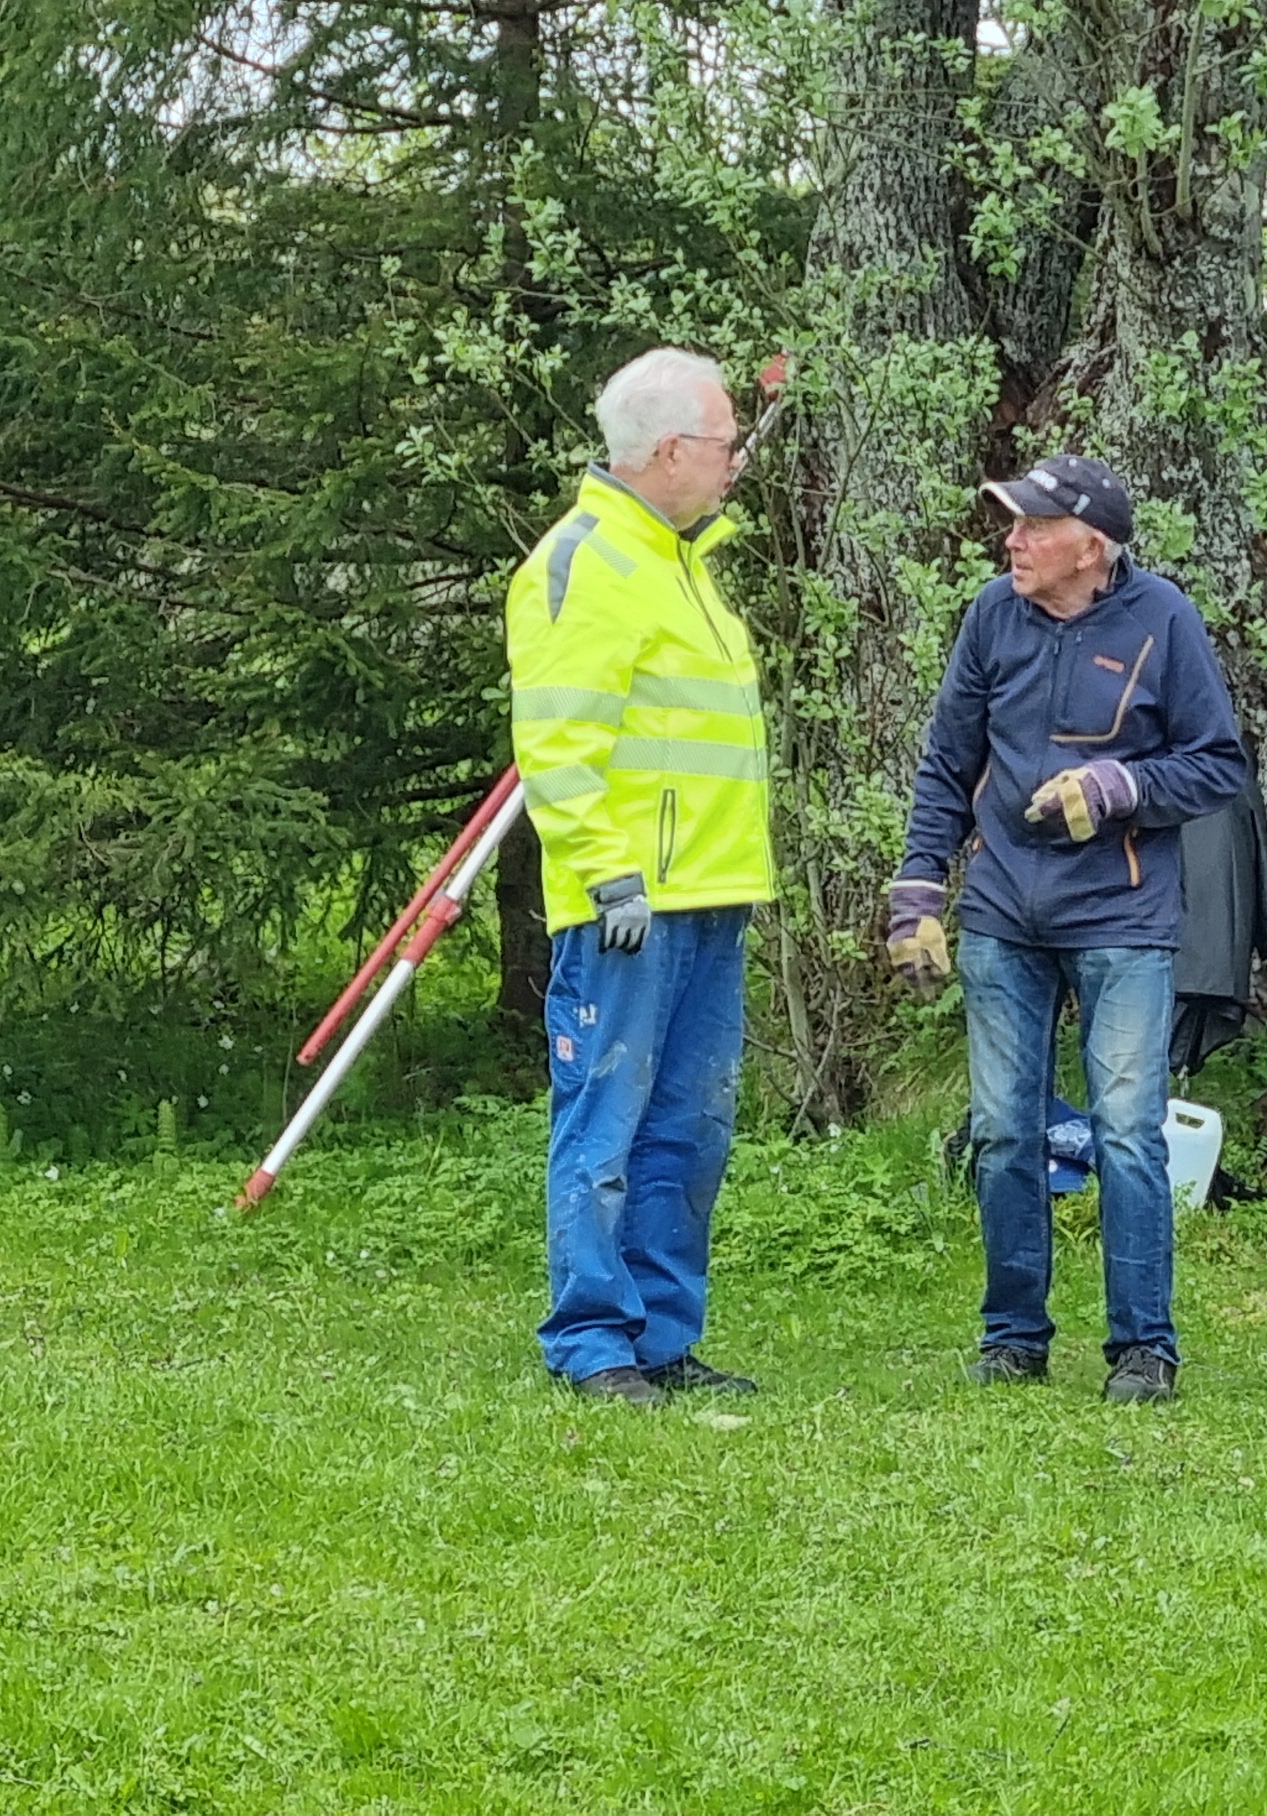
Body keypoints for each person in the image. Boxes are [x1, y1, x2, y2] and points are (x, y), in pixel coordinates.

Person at [887, 456, 1249, 1403]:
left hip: (1123, 916)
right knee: (1006, 1131)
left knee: (1127, 1131)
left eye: (1031, 526)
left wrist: (1120, 786)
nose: (1010, 540)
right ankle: (1013, 1338)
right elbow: (945, 764)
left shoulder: (1162, 618)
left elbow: (1218, 767)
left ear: (1091, 546)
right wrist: (919, 888)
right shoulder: (990, 616)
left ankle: (1144, 1349)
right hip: (1003, 913)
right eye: (1010, 524)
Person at [504, 347, 776, 1406]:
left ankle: (663, 1333)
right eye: (724, 444)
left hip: (710, 896)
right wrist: (610, 875)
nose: (735, 463)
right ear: (668, 450)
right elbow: (560, 747)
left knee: (690, 1128)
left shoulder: (679, 560)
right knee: (606, 1125)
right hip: (630, 906)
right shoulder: (585, 562)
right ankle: (592, 1340)